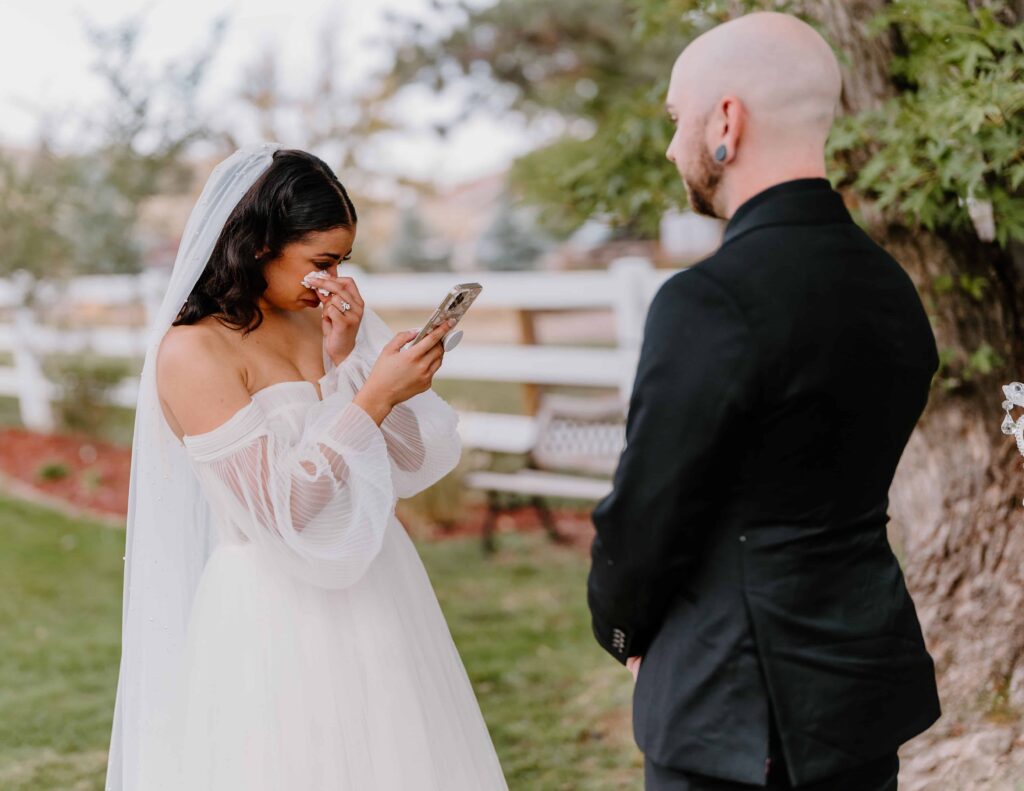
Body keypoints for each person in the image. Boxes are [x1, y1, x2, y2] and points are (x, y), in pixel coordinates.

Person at [586, 12, 941, 791]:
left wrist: (626, 627)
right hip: (857, 695)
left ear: (726, 121)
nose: (674, 146)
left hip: (733, 706)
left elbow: (644, 514)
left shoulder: (707, 300)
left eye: (678, 120)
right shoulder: (892, 288)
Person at [104, 144, 508, 791]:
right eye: (321, 260)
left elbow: (405, 458)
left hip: (377, 587)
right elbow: (286, 508)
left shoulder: (315, 321)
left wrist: (352, 362)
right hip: (276, 611)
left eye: (342, 261)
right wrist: (372, 394)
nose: (333, 280)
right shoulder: (192, 351)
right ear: (259, 243)